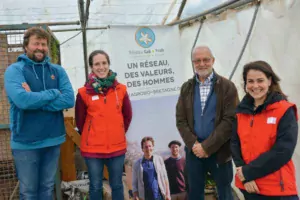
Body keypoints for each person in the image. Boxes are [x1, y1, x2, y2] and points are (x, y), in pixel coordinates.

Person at [4, 27, 74, 199]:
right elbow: (22, 100)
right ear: (26, 46)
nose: (40, 48)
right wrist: (52, 93)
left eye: (44, 44)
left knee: (47, 188)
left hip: (52, 139)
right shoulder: (15, 70)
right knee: (28, 191)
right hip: (25, 142)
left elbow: (69, 100)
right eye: (36, 43)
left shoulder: (57, 71)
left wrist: (34, 100)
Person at [176, 46, 239, 200]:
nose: (202, 63)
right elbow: (181, 119)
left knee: (224, 191)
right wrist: (194, 144)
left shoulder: (227, 86)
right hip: (194, 150)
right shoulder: (187, 88)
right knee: (195, 192)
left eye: (206, 59)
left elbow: (230, 120)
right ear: (193, 63)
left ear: (213, 61)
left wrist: (207, 146)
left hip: (220, 149)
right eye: (197, 61)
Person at [231, 61, 299, 200]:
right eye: (250, 81)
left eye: (260, 80)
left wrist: (248, 172)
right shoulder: (240, 113)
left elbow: (283, 151)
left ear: (269, 81)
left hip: (277, 189)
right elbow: (235, 144)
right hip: (250, 187)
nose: (255, 86)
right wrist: (245, 177)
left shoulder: (284, 110)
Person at [75, 50, 132, 200]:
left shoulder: (121, 90)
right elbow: (80, 122)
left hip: (117, 147)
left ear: (109, 64)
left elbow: (127, 116)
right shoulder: (83, 93)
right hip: (93, 149)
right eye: (97, 64)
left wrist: (118, 131)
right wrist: (92, 134)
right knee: (95, 186)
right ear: (91, 67)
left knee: (117, 185)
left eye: (104, 63)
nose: (101, 67)